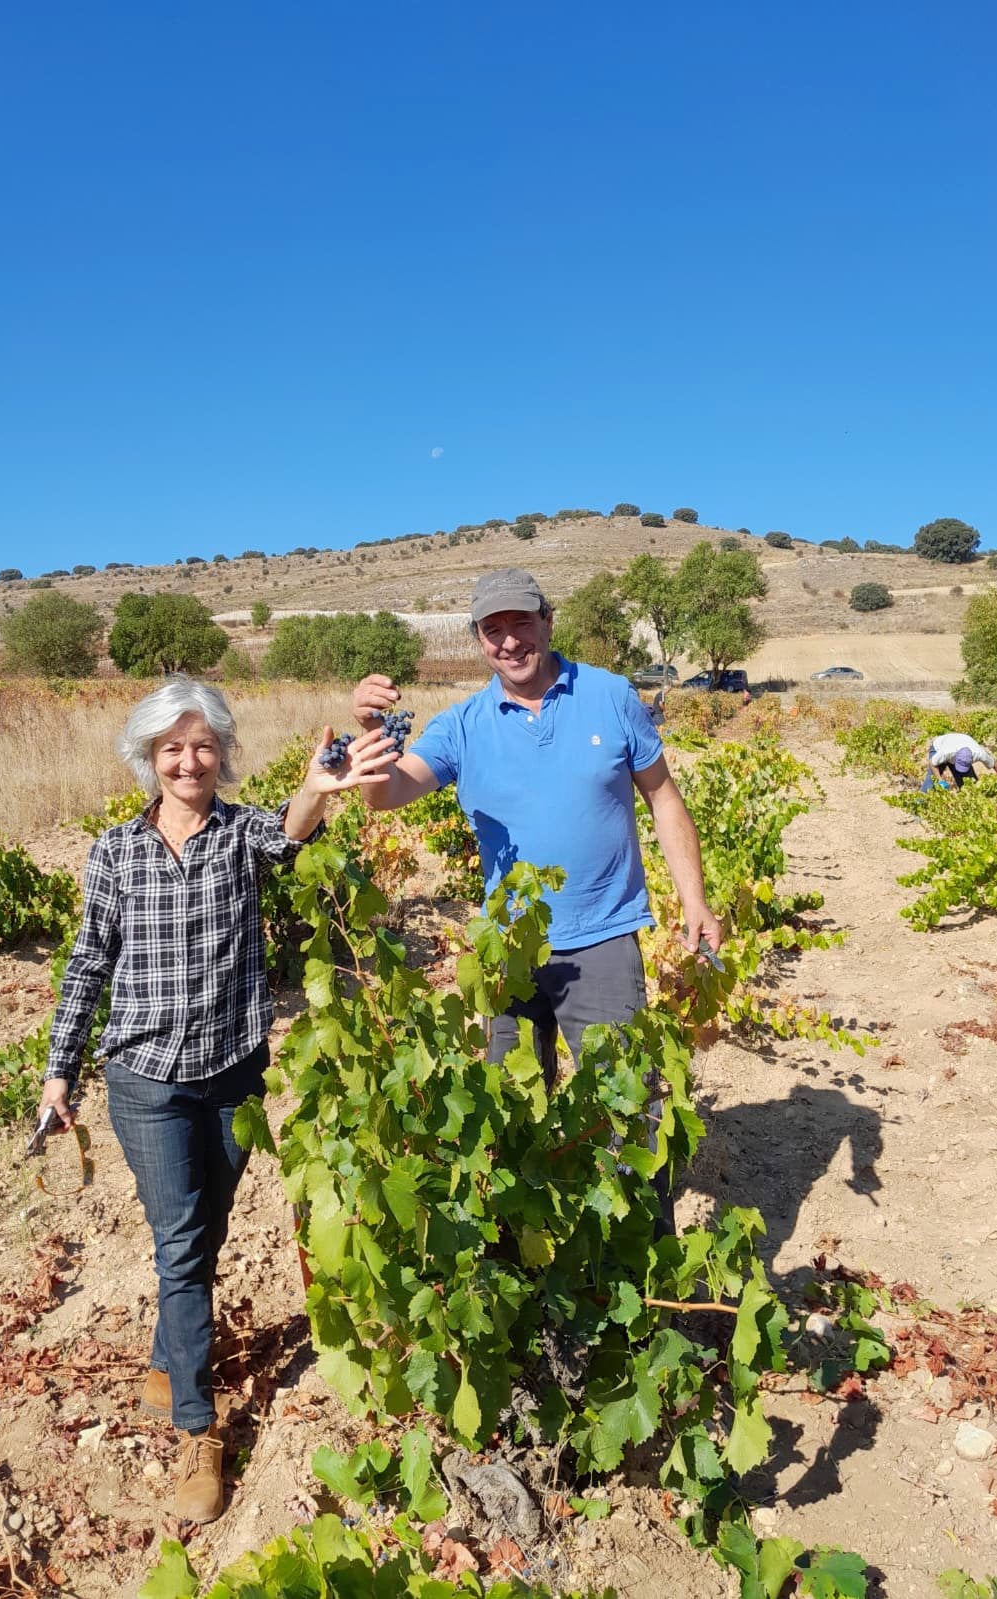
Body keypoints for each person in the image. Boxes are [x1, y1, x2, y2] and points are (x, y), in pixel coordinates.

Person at [36, 677, 388, 1524]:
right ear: (148, 759)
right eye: (171, 748)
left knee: (208, 1223)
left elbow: (294, 832)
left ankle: (167, 1362)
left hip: (234, 1073)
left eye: (202, 746)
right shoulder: (116, 851)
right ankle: (199, 1427)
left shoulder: (240, 834)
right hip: (146, 1078)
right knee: (184, 1240)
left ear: (221, 754)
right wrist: (59, 1070)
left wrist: (317, 783)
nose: (188, 761)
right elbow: (88, 965)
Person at [350, 568, 723, 1225]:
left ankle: (639, 1261)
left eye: (521, 622)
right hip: (509, 953)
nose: (509, 641)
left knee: (626, 1108)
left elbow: (663, 797)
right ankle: (524, 1268)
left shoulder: (608, 696)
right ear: (479, 642)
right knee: (508, 1110)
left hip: (604, 940)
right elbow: (385, 794)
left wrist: (694, 901)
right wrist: (371, 731)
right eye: (493, 630)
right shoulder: (462, 725)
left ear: (548, 621)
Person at [923, 732, 997, 791]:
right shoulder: (947, 752)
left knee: (970, 787)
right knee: (930, 782)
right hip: (939, 745)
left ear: (971, 760)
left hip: (962, 741)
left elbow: (995, 764)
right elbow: (932, 763)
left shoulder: (979, 753)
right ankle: (919, 802)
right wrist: (940, 780)